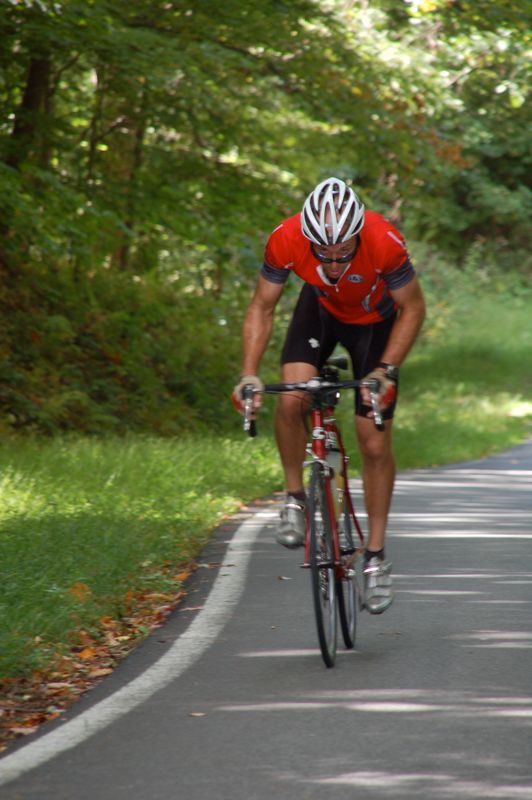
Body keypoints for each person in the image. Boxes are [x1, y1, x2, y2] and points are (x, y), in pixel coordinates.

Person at [232, 177, 426, 613]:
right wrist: (248, 374)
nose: (335, 264)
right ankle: (295, 498)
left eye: (343, 252)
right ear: (308, 240)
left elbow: (414, 307)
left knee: (373, 441)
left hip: (375, 326)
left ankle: (375, 557)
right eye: (324, 253)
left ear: (358, 234)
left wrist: (386, 371)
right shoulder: (286, 238)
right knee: (292, 398)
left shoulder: (384, 241)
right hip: (319, 311)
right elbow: (262, 306)